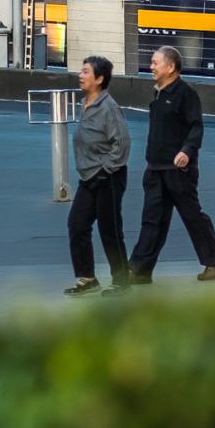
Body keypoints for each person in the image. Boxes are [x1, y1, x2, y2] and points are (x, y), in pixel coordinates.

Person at [128, 45, 215, 284]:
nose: (151, 67)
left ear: (170, 67)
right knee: (152, 220)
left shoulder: (185, 94)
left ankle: (214, 262)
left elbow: (196, 126)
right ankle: (139, 270)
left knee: (192, 216)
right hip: (155, 169)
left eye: (155, 63)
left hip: (179, 171)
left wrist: (186, 151)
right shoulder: (159, 93)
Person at [65, 55, 132, 295]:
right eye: (81, 71)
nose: (80, 76)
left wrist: (106, 170)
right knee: (77, 224)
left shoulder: (108, 107)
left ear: (99, 78)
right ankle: (87, 278)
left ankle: (121, 280)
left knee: (110, 229)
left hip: (108, 177)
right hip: (88, 177)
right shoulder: (85, 103)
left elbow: (122, 143)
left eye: (85, 72)